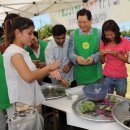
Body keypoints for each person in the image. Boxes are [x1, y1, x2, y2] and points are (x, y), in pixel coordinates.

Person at [3, 16, 61, 130]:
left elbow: (32, 74)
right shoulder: (14, 53)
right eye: (29, 33)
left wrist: (47, 70)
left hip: (27, 103)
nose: (33, 37)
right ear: (17, 33)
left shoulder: (21, 52)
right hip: (21, 105)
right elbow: (28, 77)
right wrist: (48, 67)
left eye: (33, 33)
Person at [68, 8, 102, 85]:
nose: (82, 25)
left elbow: (102, 50)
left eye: (84, 22)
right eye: (79, 22)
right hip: (80, 75)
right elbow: (70, 52)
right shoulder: (73, 34)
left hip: (96, 74)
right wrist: (76, 58)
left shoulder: (98, 33)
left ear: (91, 21)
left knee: (97, 96)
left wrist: (94, 58)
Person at [100, 19, 130, 97]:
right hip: (107, 76)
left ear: (116, 32)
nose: (109, 37)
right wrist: (102, 54)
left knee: (121, 100)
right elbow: (102, 61)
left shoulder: (125, 41)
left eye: (111, 34)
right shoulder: (103, 42)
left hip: (121, 77)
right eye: (106, 35)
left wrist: (118, 55)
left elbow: (129, 60)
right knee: (107, 99)